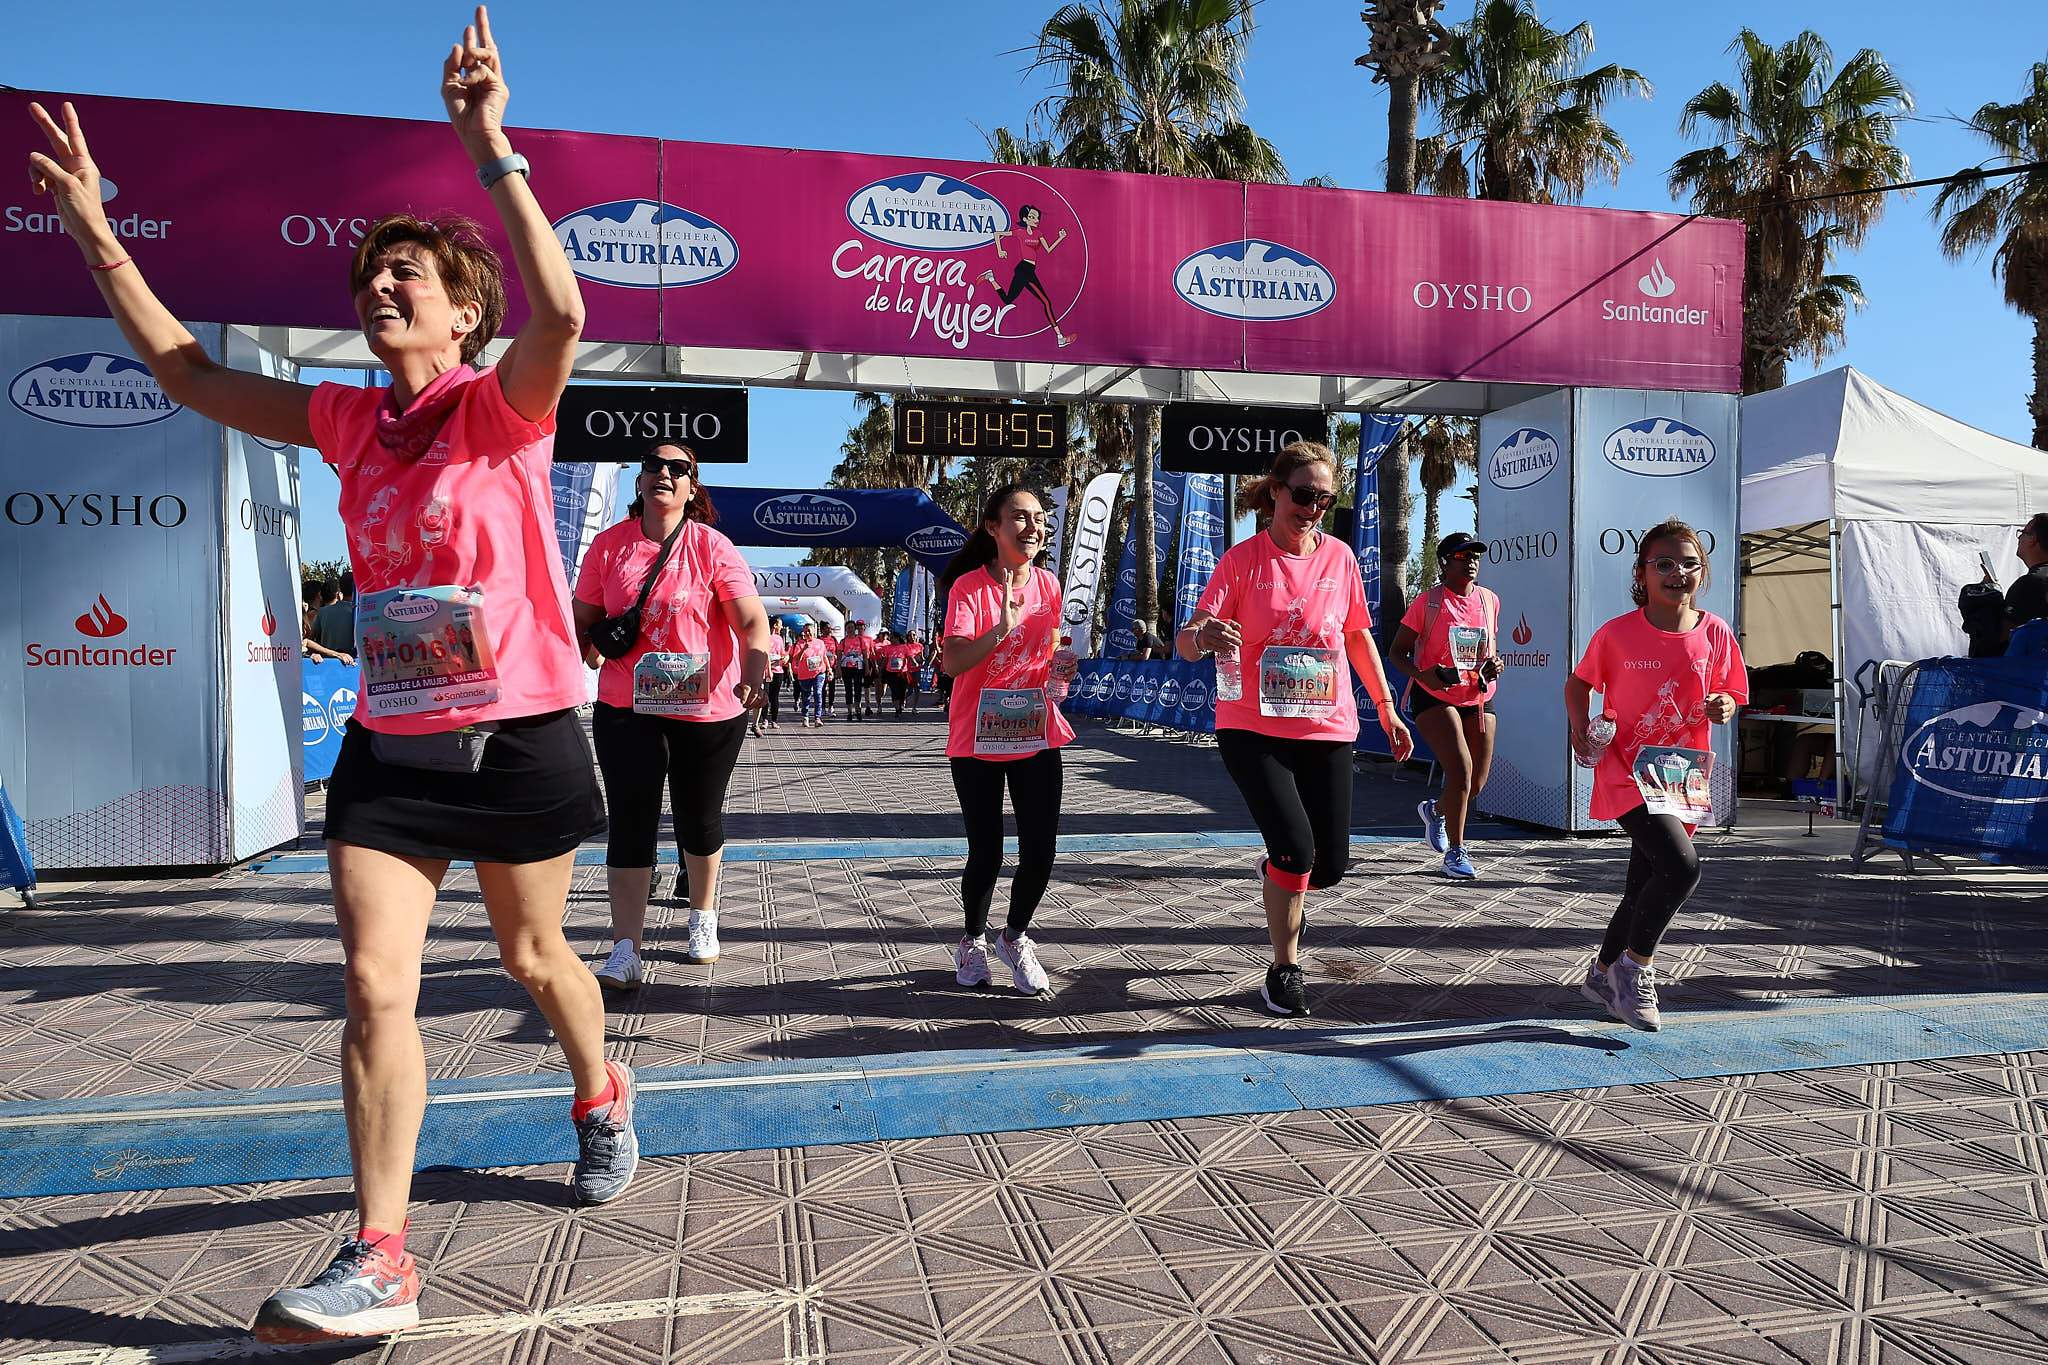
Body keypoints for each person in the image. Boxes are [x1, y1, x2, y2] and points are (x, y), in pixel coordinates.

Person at [25, 10, 638, 1340]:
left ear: (465, 308)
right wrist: (96, 234)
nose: (380, 290)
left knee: (537, 957)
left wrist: (490, 147)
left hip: (523, 729)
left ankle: (599, 1087)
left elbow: (570, 306)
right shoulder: (346, 415)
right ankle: (382, 1253)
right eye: (370, 279)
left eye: (407, 276)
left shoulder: (502, 406)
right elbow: (187, 373)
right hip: (396, 745)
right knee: (373, 983)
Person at [1178, 442, 1413, 1018]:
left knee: (1327, 866)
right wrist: (1203, 637)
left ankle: (1280, 871)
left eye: (1324, 499)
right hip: (1252, 728)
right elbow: (1190, 636)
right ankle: (1283, 969)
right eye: (1303, 495)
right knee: (1296, 850)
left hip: (1326, 726)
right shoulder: (1242, 560)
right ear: (1276, 491)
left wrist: (1386, 709)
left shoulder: (1340, 558)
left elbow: (1357, 638)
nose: (1312, 507)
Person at [573, 445, 767, 985]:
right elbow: (584, 616)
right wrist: (589, 643)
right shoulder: (610, 547)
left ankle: (702, 916)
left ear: (691, 487)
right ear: (638, 481)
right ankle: (625, 948)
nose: (664, 473)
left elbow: (751, 622)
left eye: (677, 469)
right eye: (654, 465)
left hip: (707, 710)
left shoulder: (713, 547)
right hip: (626, 706)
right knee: (630, 821)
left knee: (698, 817)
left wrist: (755, 670)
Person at [1566, 519, 1748, 1034]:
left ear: (1703, 572)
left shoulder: (1715, 632)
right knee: (1681, 868)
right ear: (1642, 573)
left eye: (1689, 563)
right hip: (1626, 770)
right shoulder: (1618, 634)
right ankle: (1635, 967)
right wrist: (1581, 728)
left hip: (1682, 774)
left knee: (1643, 882)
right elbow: (1578, 685)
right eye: (1663, 563)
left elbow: (1731, 692)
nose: (1677, 572)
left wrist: (1725, 705)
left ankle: (1601, 975)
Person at [939, 484, 1076, 995]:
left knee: (1041, 850)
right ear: (993, 529)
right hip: (978, 736)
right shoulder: (969, 589)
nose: (1034, 526)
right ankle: (973, 938)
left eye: (1039, 517)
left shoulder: (1050, 585)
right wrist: (999, 629)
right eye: (1019, 518)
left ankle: (1014, 936)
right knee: (988, 852)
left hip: (1036, 731)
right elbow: (952, 663)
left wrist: (1062, 670)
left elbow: (1051, 654)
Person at [1389, 533, 1504, 880]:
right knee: (1461, 773)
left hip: (1479, 696)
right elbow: (1397, 653)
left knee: (1477, 783)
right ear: (1444, 562)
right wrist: (1424, 674)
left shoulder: (1489, 600)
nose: (1471, 560)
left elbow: (1488, 649)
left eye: (1475, 555)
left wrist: (1494, 665)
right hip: (1434, 694)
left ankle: (1436, 810)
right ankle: (1456, 851)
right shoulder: (1428, 603)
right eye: (1461, 555)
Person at [976, 204, 1074, 349]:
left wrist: (1060, 238)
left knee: (1008, 300)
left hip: (1029, 270)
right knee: (1046, 302)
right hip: (1024, 269)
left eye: (1037, 217)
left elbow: (1048, 250)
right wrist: (1000, 250)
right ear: (1025, 219)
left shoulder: (1038, 233)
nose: (1036, 220)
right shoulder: (1020, 232)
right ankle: (1060, 337)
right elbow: (997, 234)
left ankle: (991, 278)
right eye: (1032, 217)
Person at [2005, 514, 2048, 641]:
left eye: (2023, 532)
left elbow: (2003, 637)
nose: (2019, 538)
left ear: (2033, 539)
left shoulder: (2029, 583)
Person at [790, 620, 830, 727]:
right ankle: (805, 717)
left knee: (818, 693)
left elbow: (824, 656)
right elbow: (796, 659)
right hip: (804, 674)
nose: (807, 633)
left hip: (819, 672)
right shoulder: (799, 644)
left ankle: (817, 718)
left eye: (809, 631)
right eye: (805, 632)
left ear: (814, 631)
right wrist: (803, 649)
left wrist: (829, 668)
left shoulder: (820, 643)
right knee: (806, 696)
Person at [312, 570, 357, 656]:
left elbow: (311, 640)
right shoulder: (358, 614)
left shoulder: (322, 612)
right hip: (353, 664)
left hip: (326, 664)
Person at [839, 619, 873, 720]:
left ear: (855, 629)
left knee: (858, 689)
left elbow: (865, 655)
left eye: (852, 628)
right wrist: (838, 669)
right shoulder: (843, 641)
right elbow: (839, 655)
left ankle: (858, 710)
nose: (850, 629)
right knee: (848, 690)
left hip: (858, 668)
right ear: (846, 629)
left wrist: (867, 668)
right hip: (846, 668)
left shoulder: (860, 640)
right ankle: (849, 712)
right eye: (848, 628)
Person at [876, 627, 914, 716]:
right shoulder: (888, 648)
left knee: (902, 691)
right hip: (891, 673)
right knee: (894, 691)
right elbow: (885, 660)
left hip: (902, 673)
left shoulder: (904, 647)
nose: (890, 639)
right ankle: (897, 709)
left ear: (897, 638)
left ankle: (901, 704)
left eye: (892, 637)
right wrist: (881, 669)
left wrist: (915, 663)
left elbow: (909, 657)